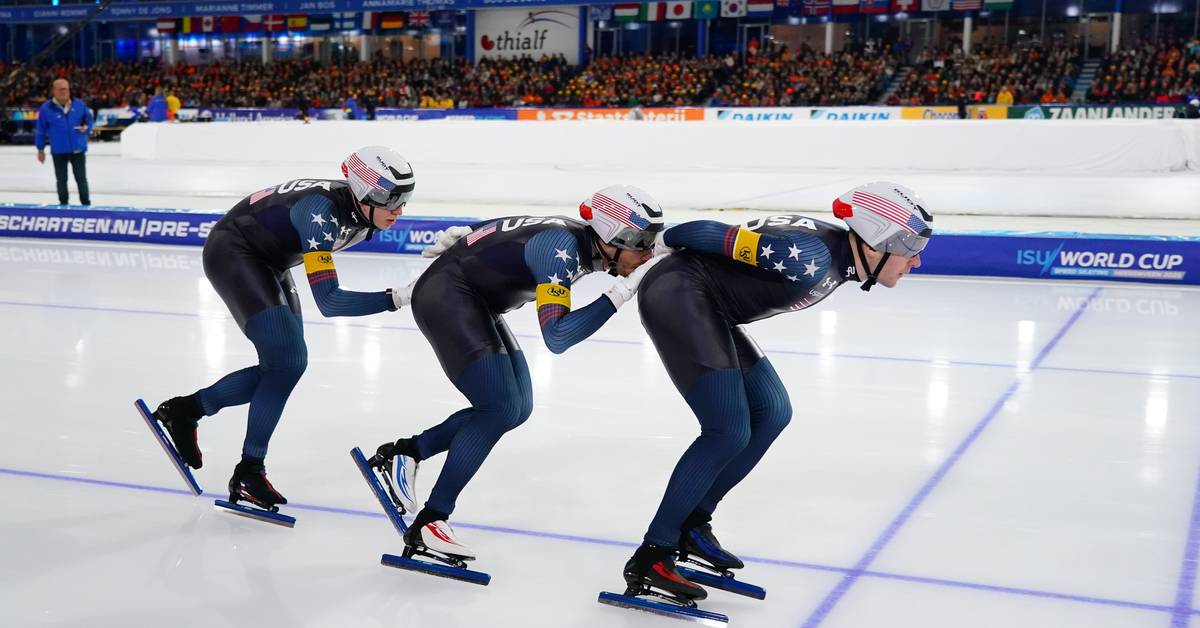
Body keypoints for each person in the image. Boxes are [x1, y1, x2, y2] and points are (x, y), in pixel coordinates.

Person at [619, 182, 933, 604]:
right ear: (877, 241)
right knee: (726, 430)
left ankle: (692, 522)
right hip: (678, 295)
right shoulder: (810, 257)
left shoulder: (838, 257)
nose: (916, 260)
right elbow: (699, 233)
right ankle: (653, 555)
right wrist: (656, 245)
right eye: (910, 246)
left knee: (772, 411)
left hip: (710, 305)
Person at [365, 185, 666, 564]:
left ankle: (406, 453)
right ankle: (431, 520)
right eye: (642, 244)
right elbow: (558, 336)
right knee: (499, 407)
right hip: (449, 297)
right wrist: (621, 292)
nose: (648, 254)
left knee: (517, 407)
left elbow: (517, 229)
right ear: (613, 235)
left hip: (473, 300)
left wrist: (470, 234)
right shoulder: (565, 251)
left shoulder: (579, 242)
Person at [142, 146, 416, 511]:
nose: (398, 210)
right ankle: (248, 469)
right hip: (235, 252)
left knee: (288, 364)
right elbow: (330, 301)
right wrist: (398, 297)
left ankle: (187, 410)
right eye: (390, 199)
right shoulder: (321, 211)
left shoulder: (360, 212)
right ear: (364, 192)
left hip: (269, 261)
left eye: (405, 198)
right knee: (287, 361)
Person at [35, 78, 93, 206]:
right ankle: (63, 206)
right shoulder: (46, 108)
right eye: (60, 89)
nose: (64, 92)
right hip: (59, 150)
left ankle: (86, 205)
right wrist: (40, 149)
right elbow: (40, 130)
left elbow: (89, 120)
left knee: (81, 179)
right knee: (61, 180)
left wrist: (87, 128)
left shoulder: (79, 105)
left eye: (66, 89)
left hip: (77, 149)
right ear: (54, 91)